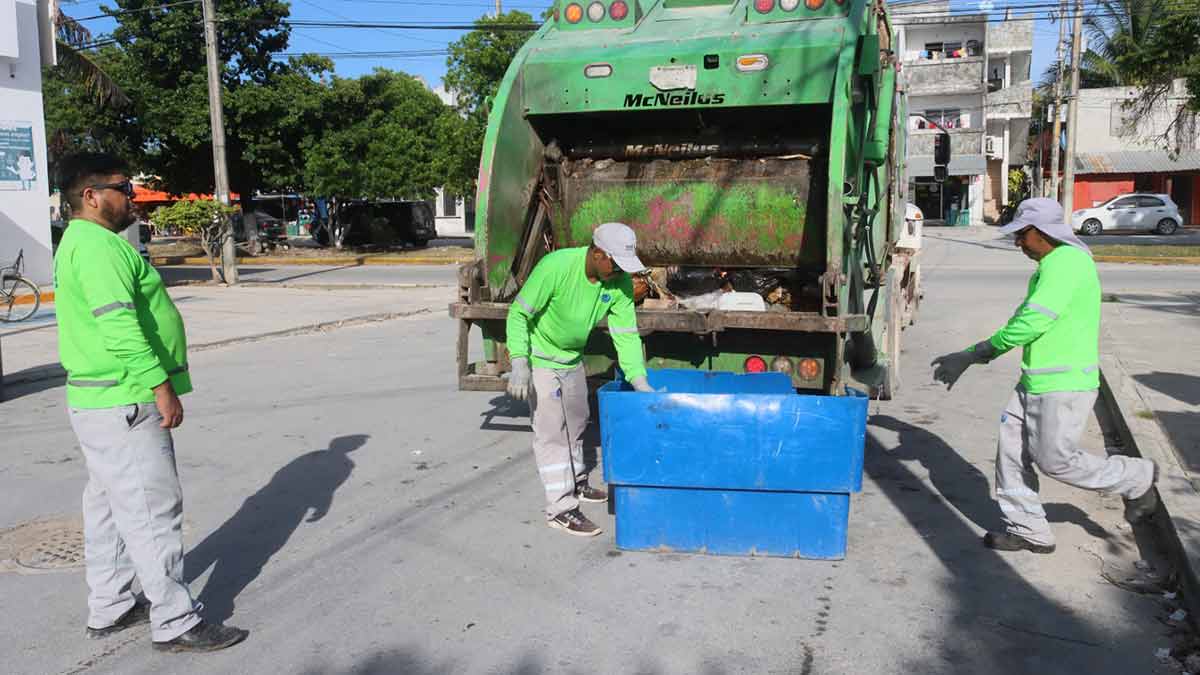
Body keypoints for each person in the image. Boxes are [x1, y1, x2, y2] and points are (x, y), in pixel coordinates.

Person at [54, 153, 248, 651]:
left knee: (108, 509)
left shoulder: (84, 241)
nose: (132, 197)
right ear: (91, 196)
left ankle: (112, 605)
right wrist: (159, 384)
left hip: (99, 400)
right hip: (125, 398)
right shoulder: (97, 247)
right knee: (150, 511)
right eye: (124, 188)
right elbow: (119, 325)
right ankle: (176, 621)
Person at [931, 197, 1158, 554]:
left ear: (1044, 232)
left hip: (1063, 384)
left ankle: (1136, 477)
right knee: (1011, 455)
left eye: (1022, 235)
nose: (1018, 242)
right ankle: (1029, 529)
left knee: (1055, 461)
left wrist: (975, 354)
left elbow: (1031, 323)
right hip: (1036, 381)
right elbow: (1028, 318)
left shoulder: (1066, 264)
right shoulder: (1052, 264)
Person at [506, 222, 656, 537]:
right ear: (597, 253)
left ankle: (577, 481)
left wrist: (638, 379)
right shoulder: (556, 267)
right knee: (552, 432)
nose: (619, 271)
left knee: (577, 421)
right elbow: (519, 314)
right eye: (615, 263)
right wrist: (519, 362)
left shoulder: (618, 282)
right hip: (541, 359)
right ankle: (561, 508)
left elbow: (626, 334)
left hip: (572, 358)